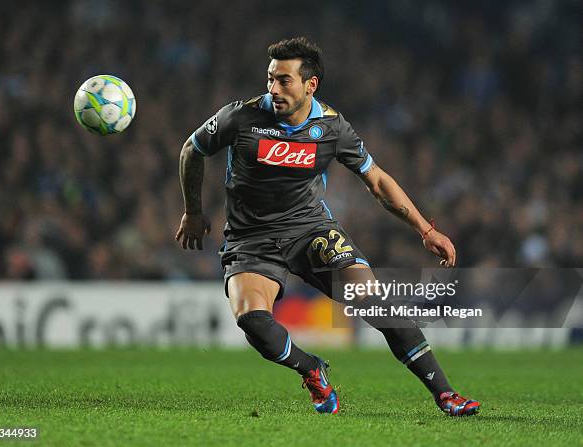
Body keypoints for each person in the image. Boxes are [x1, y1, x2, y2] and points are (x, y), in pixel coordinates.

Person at [176, 37, 479, 416]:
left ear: (310, 85)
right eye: (270, 79)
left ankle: (446, 394)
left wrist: (425, 229)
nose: (273, 89)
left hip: (310, 231)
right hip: (250, 239)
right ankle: (311, 369)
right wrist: (193, 211)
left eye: (284, 80)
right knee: (253, 322)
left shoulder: (332, 127)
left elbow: (378, 181)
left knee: (377, 301)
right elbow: (192, 149)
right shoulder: (241, 117)